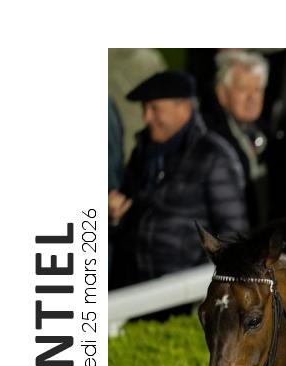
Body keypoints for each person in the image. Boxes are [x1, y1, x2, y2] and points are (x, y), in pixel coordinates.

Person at [109, 70, 247, 288]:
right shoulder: (142, 154)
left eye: (154, 109)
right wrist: (115, 217)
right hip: (135, 289)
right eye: (144, 109)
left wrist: (199, 285)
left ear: (183, 107)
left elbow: (232, 235)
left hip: (185, 292)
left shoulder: (213, 156)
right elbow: (129, 220)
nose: (146, 118)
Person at [210, 50, 272, 225]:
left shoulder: (268, 133)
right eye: (243, 89)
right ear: (222, 94)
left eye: (258, 90)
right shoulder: (213, 139)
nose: (252, 98)